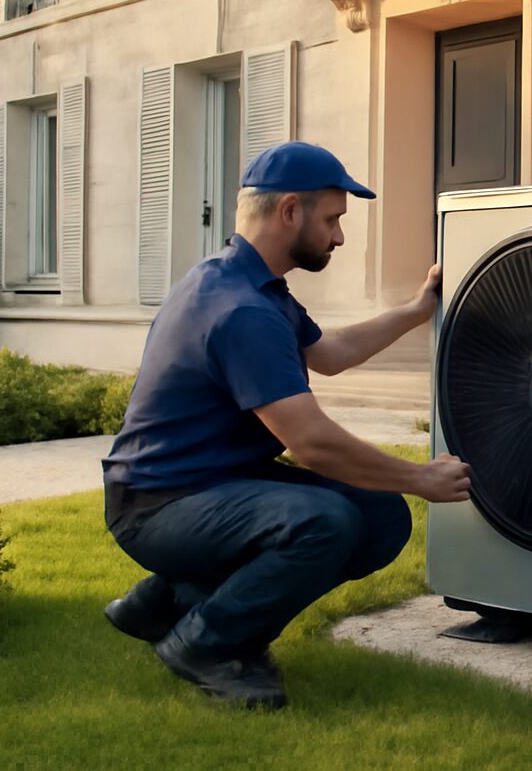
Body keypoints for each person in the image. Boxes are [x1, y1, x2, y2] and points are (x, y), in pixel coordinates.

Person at [101, 141, 472, 710]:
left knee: (378, 517)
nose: (340, 237)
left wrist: (417, 310)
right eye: (333, 219)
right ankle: (207, 642)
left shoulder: (247, 284)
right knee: (322, 523)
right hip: (158, 505)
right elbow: (311, 443)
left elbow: (331, 352)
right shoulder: (242, 310)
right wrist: (421, 478)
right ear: (290, 211)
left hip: (205, 487)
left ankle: (170, 599)